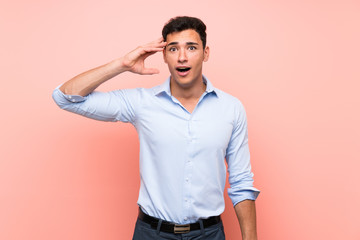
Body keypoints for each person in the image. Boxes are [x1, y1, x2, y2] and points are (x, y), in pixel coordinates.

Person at [52, 16, 260, 240]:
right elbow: (65, 97)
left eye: (191, 48)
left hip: (208, 234)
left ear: (205, 53)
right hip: (152, 233)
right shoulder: (142, 103)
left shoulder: (231, 108)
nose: (182, 57)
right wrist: (122, 64)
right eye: (173, 49)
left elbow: (241, 182)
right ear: (164, 55)